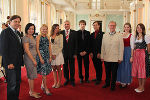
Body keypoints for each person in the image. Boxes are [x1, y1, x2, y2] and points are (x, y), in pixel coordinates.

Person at [0, 15, 24, 100]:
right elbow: (3, 49)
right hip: (10, 63)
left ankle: (15, 98)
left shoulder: (17, 32)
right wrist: (8, 63)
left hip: (17, 63)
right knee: (12, 84)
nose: (17, 23)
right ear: (10, 22)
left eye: (18, 22)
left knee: (17, 82)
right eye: (15, 21)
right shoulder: (5, 32)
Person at [101, 21, 124, 91]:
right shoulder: (104, 35)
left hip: (115, 58)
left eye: (113, 25)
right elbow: (103, 46)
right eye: (111, 25)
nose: (112, 27)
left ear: (115, 26)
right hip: (106, 57)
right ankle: (107, 83)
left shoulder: (119, 35)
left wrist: (120, 58)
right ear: (108, 26)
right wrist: (102, 56)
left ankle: (113, 85)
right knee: (107, 72)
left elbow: (121, 47)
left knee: (114, 73)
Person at [22, 23, 41, 98]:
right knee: (31, 76)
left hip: (33, 58)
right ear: (26, 29)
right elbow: (27, 50)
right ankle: (31, 92)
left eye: (32, 29)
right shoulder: (25, 37)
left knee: (32, 75)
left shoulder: (32, 37)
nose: (31, 30)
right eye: (29, 29)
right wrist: (33, 60)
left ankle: (32, 91)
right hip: (29, 59)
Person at [130, 23, 150, 93]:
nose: (139, 29)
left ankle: (142, 87)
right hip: (136, 55)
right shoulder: (134, 37)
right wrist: (132, 56)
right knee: (138, 71)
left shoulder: (146, 36)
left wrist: (146, 55)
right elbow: (133, 47)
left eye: (140, 28)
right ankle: (139, 85)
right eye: (138, 27)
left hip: (143, 55)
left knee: (143, 71)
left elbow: (149, 48)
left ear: (143, 29)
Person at [36, 24, 52, 95]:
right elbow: (37, 48)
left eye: (46, 29)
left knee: (46, 72)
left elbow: (49, 47)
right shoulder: (38, 37)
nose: (44, 30)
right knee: (44, 73)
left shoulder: (48, 37)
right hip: (41, 56)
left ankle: (42, 85)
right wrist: (40, 58)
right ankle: (46, 88)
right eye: (43, 29)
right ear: (40, 30)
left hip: (47, 56)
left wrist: (50, 56)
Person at [61, 20, 78, 87]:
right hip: (64, 53)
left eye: (67, 24)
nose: (66, 25)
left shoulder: (74, 33)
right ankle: (67, 79)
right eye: (65, 24)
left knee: (72, 67)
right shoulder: (61, 33)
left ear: (70, 25)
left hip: (72, 53)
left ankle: (72, 80)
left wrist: (75, 53)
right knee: (65, 67)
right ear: (64, 25)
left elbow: (76, 44)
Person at [117, 23, 132, 88]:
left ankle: (125, 82)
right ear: (124, 28)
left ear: (130, 28)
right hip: (121, 51)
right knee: (120, 66)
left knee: (126, 67)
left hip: (127, 51)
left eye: (128, 27)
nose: (126, 28)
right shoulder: (120, 34)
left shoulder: (131, 35)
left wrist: (131, 56)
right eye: (125, 27)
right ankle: (121, 80)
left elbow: (132, 47)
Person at [51, 24, 64, 88]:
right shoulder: (50, 35)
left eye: (58, 28)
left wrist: (55, 54)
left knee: (59, 68)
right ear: (53, 28)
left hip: (58, 54)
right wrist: (51, 54)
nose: (57, 29)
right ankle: (55, 82)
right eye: (56, 28)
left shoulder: (60, 36)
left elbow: (61, 46)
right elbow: (49, 46)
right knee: (53, 69)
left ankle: (59, 82)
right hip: (51, 54)